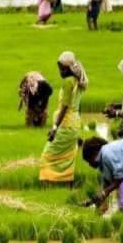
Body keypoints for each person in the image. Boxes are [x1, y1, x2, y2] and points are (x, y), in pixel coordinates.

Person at [39, 52, 87, 184]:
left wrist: (54, 128)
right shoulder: (79, 81)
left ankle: (46, 186)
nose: (60, 71)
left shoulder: (68, 82)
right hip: (74, 124)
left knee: (47, 156)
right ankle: (66, 185)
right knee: (67, 157)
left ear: (68, 68)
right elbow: (77, 106)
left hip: (65, 124)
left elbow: (65, 107)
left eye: (61, 69)